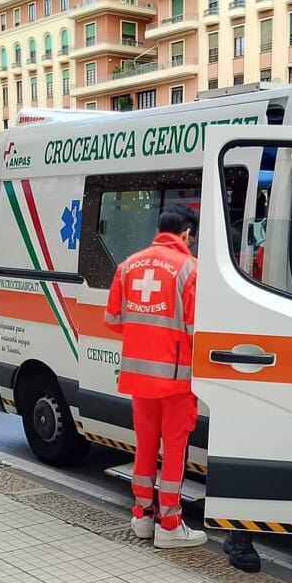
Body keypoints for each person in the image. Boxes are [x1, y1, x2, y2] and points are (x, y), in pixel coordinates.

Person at [105, 204, 206, 549]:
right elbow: (197, 330)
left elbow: (114, 320)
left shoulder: (127, 266)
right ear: (186, 234)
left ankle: (142, 516)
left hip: (138, 376)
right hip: (176, 379)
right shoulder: (190, 270)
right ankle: (170, 524)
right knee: (174, 449)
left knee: (145, 446)